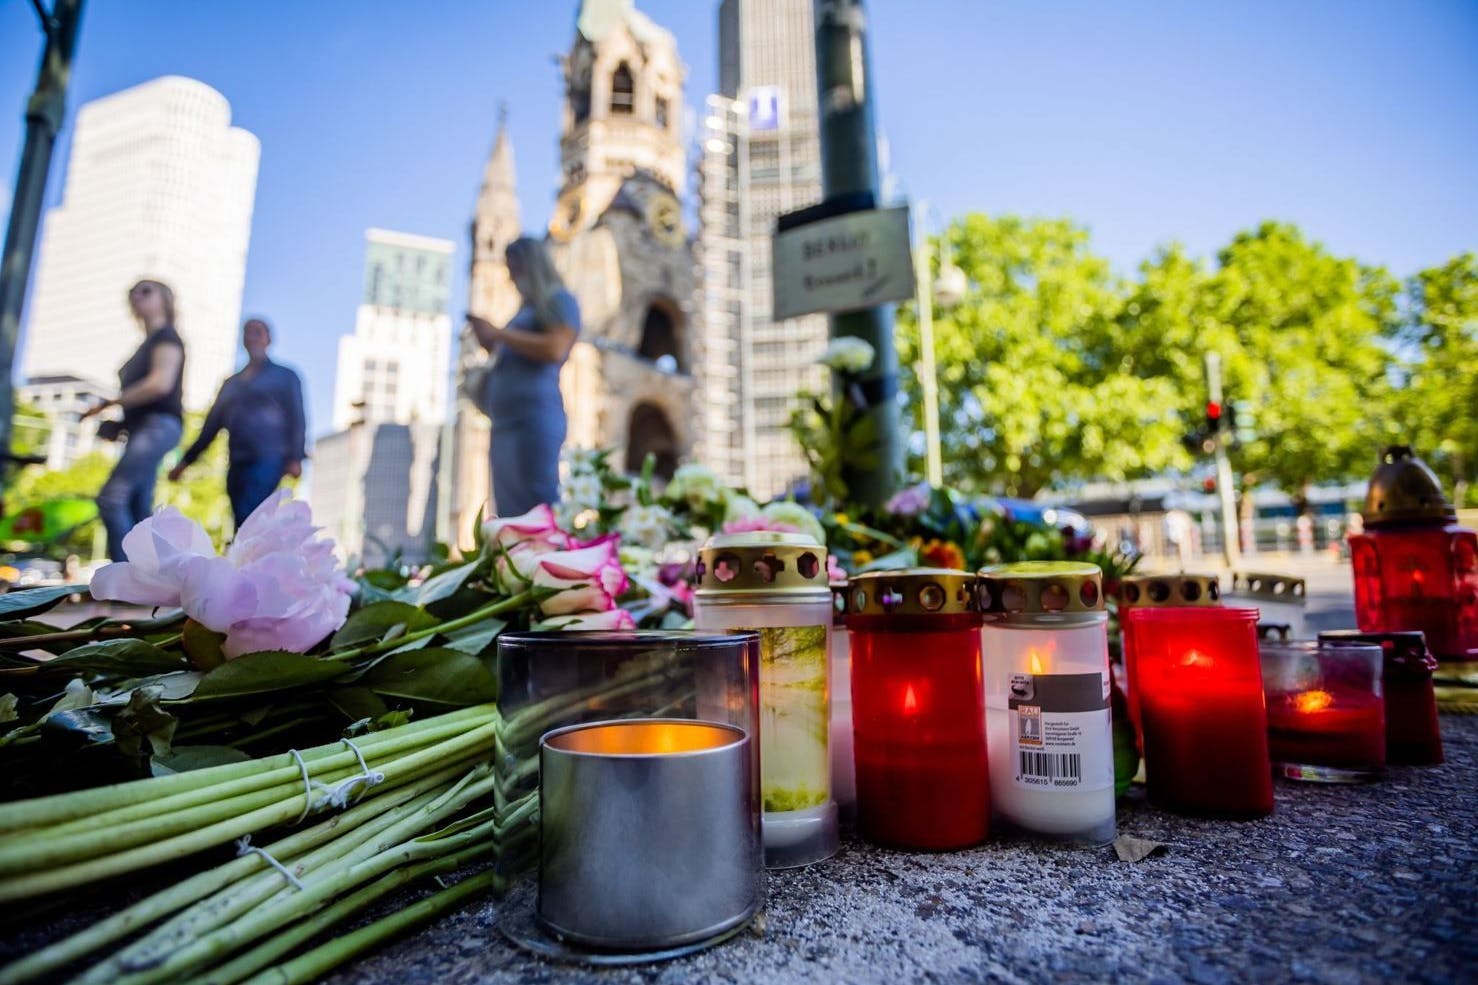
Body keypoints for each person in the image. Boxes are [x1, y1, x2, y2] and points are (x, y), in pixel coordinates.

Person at [466, 236, 580, 516]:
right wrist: (489, 339)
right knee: (509, 512)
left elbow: (555, 348)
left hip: (533, 419)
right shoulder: (524, 311)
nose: (511, 277)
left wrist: (499, 333)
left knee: (538, 507)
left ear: (532, 265)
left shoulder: (560, 300)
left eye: (515, 268)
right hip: (504, 422)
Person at [82, 279, 186, 561]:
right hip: (141, 428)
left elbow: (160, 384)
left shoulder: (167, 337)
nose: (136, 297)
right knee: (139, 507)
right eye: (133, 293)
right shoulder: (149, 342)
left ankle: (129, 578)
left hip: (157, 426)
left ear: (165, 298)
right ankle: (154, 576)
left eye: (146, 291)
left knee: (112, 497)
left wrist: (109, 404)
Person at [169, 318, 307, 528]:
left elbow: (298, 418)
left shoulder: (285, 377)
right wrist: (186, 461)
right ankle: (243, 557)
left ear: (268, 339)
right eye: (248, 331)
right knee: (240, 515)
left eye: (258, 331)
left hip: (269, 457)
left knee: (251, 512)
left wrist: (296, 457)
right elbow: (211, 425)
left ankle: (251, 558)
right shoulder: (231, 384)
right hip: (236, 459)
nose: (252, 336)